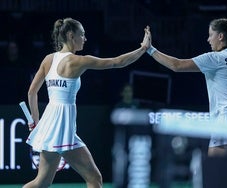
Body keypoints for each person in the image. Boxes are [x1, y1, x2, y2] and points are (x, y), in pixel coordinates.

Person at [23, 18, 150, 188]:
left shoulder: (48, 59)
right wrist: (143, 49)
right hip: (61, 128)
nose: (85, 38)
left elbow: (32, 92)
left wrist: (36, 122)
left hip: (50, 126)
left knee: (42, 182)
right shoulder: (78, 61)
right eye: (82, 34)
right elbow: (117, 62)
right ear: (70, 35)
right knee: (94, 179)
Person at [145, 18, 227, 157]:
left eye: (211, 35)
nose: (208, 40)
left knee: (214, 171)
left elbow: (176, 65)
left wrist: (150, 49)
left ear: (220, 36)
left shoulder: (215, 58)